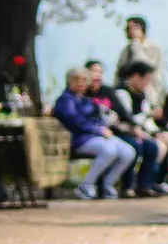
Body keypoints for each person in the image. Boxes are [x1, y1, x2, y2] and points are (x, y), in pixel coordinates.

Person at [53, 66, 138, 200]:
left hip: (97, 136)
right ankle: (86, 185)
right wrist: (98, 130)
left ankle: (107, 185)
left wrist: (106, 123)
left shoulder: (86, 100)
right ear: (69, 81)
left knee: (128, 152)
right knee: (109, 150)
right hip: (78, 139)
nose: (80, 83)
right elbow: (75, 121)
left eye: (84, 80)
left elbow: (98, 117)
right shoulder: (65, 100)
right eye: (76, 79)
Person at [102, 61, 168, 197]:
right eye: (146, 80)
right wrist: (146, 116)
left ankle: (144, 185)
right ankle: (127, 186)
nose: (147, 84)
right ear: (136, 76)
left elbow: (143, 119)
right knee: (135, 146)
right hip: (120, 131)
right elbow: (125, 116)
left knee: (152, 147)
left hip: (136, 131)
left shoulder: (142, 95)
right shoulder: (121, 93)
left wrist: (152, 130)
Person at [116, 16, 162, 86]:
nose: (130, 31)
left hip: (149, 90)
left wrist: (136, 44)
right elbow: (118, 73)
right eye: (127, 29)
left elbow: (144, 67)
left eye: (133, 28)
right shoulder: (125, 51)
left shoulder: (153, 48)